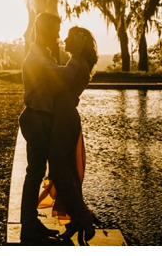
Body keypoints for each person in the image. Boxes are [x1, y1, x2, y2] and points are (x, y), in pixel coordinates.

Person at [19, 12, 84, 245]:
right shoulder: (37, 58)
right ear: (44, 30)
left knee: (37, 173)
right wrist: (78, 54)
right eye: (55, 31)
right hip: (38, 119)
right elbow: (64, 76)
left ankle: (31, 222)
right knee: (34, 173)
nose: (57, 36)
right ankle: (28, 228)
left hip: (42, 118)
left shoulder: (43, 55)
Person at [40, 26, 98, 245]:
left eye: (70, 38)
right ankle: (76, 219)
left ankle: (83, 216)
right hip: (64, 118)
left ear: (80, 42)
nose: (64, 40)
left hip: (64, 120)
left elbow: (60, 77)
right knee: (64, 171)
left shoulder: (78, 63)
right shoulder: (78, 63)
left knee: (61, 171)